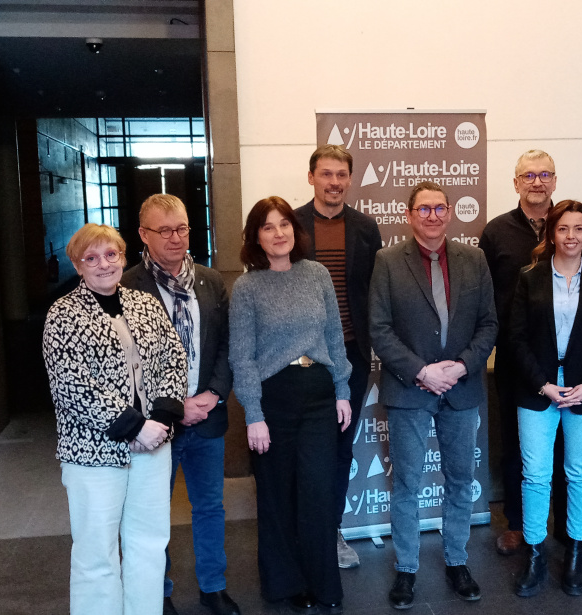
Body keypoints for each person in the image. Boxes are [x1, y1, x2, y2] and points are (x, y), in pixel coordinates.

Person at [43, 223, 187, 615]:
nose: (103, 264)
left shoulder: (145, 303)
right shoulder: (62, 315)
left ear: (123, 257)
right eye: (91, 258)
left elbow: (175, 359)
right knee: (96, 554)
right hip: (93, 455)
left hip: (153, 446)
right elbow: (72, 385)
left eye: (111, 255)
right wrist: (134, 427)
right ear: (77, 265)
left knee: (148, 543)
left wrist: (160, 418)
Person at [369, 181, 497, 609]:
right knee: (406, 482)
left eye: (440, 208)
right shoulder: (387, 261)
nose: (433, 216)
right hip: (411, 389)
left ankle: (457, 560)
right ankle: (406, 569)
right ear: (409, 215)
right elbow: (379, 328)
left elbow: (488, 325)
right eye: (424, 209)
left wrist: (460, 366)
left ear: (449, 213)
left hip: (461, 387)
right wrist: (422, 371)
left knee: (461, 480)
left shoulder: (474, 259)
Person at [229, 197, 352, 614]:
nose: (278, 233)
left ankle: (323, 584)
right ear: (255, 237)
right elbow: (241, 358)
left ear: (295, 232)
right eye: (267, 227)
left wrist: (342, 389)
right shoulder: (247, 287)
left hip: (318, 394)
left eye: (284, 224)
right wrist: (254, 415)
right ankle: (285, 584)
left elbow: (335, 337)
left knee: (318, 492)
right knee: (277, 495)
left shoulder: (316, 274)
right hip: (273, 400)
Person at [121, 194, 239, 615]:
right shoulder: (127, 286)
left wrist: (214, 394)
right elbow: (127, 364)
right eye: (165, 230)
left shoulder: (209, 281)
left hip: (207, 416)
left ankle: (214, 587)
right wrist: (174, 406)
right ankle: (160, 592)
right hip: (157, 423)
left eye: (183, 228)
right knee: (153, 515)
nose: (176, 238)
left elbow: (227, 345)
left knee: (210, 507)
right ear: (143, 235)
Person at [479, 149, 582, 555]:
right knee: (518, 446)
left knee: (568, 449)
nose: (537, 182)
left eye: (545, 174)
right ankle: (517, 524)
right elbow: (485, 296)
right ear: (515, 183)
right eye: (528, 175)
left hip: (569, 360)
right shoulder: (496, 233)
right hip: (517, 359)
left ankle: (566, 527)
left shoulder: (571, 227)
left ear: (555, 180)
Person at [510, 201, 582, 597]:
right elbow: (516, 338)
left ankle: (574, 550)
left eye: (579, 229)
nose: (571, 236)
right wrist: (543, 383)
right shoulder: (529, 277)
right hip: (539, 389)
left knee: (579, 474)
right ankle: (536, 552)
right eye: (563, 229)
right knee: (536, 475)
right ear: (551, 233)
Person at [295, 144, 383, 569]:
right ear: (311, 177)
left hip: (351, 354)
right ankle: (303, 534)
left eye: (341, 175)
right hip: (303, 357)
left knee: (340, 447)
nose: (334, 182)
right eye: (325, 174)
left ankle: (331, 531)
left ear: (350, 179)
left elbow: (373, 292)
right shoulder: (289, 224)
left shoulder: (366, 229)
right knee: (304, 447)